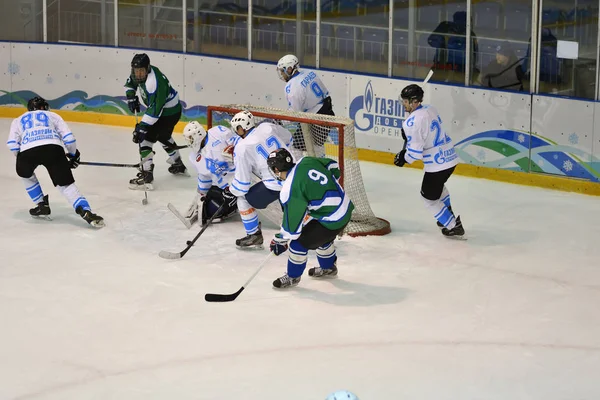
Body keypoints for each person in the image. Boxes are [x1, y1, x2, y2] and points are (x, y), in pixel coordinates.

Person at [6, 96, 104, 228]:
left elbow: (12, 145)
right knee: (66, 185)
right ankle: (85, 211)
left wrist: (22, 159)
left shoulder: (18, 120)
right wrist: (73, 155)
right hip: (53, 149)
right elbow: (69, 139)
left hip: (27, 152)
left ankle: (42, 205)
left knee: (26, 174)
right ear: (45, 107)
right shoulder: (53, 115)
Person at [267, 148, 354, 289]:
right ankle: (328, 267)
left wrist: (280, 240)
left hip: (332, 218)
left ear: (276, 169)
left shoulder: (290, 187)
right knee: (320, 236)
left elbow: (292, 228)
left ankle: (293, 276)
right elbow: (333, 166)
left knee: (297, 245)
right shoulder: (307, 160)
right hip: (346, 207)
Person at [394, 84, 464, 238]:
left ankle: (453, 225)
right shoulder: (430, 108)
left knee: (428, 199)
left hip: (437, 165)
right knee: (439, 189)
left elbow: (414, 156)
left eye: (405, 101)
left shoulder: (412, 123)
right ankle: (447, 214)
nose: (403, 104)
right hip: (450, 158)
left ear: (414, 101)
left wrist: (402, 158)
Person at [220, 110, 295, 249]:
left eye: (237, 128)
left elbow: (242, 184)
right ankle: (321, 237)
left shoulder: (242, 147)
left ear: (241, 128)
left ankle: (254, 235)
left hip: (275, 185)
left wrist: (231, 191)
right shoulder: (267, 127)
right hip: (294, 175)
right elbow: (289, 138)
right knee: (295, 208)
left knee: (242, 199)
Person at [125, 53, 187, 190]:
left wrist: (142, 127)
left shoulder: (154, 82)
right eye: (136, 71)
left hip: (167, 114)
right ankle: (178, 164)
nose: (138, 74)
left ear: (147, 68)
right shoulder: (142, 73)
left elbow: (155, 111)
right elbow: (132, 82)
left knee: (145, 139)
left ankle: (147, 175)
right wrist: (130, 96)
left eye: (141, 71)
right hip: (169, 112)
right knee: (163, 136)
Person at [182, 121, 238, 225]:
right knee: (209, 209)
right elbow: (204, 177)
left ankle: (235, 205)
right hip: (223, 186)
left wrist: (235, 154)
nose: (189, 142)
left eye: (190, 138)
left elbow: (240, 143)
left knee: (219, 208)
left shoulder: (219, 132)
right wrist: (200, 195)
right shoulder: (194, 157)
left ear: (197, 135)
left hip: (239, 179)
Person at [277, 54, 334, 154]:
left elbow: (295, 114)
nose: (281, 74)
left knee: (296, 149)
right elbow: (326, 94)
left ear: (289, 69)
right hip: (327, 112)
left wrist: (280, 121)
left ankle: (297, 169)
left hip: (314, 119)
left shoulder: (293, 87)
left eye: (282, 70)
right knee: (316, 147)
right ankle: (322, 166)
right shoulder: (309, 73)